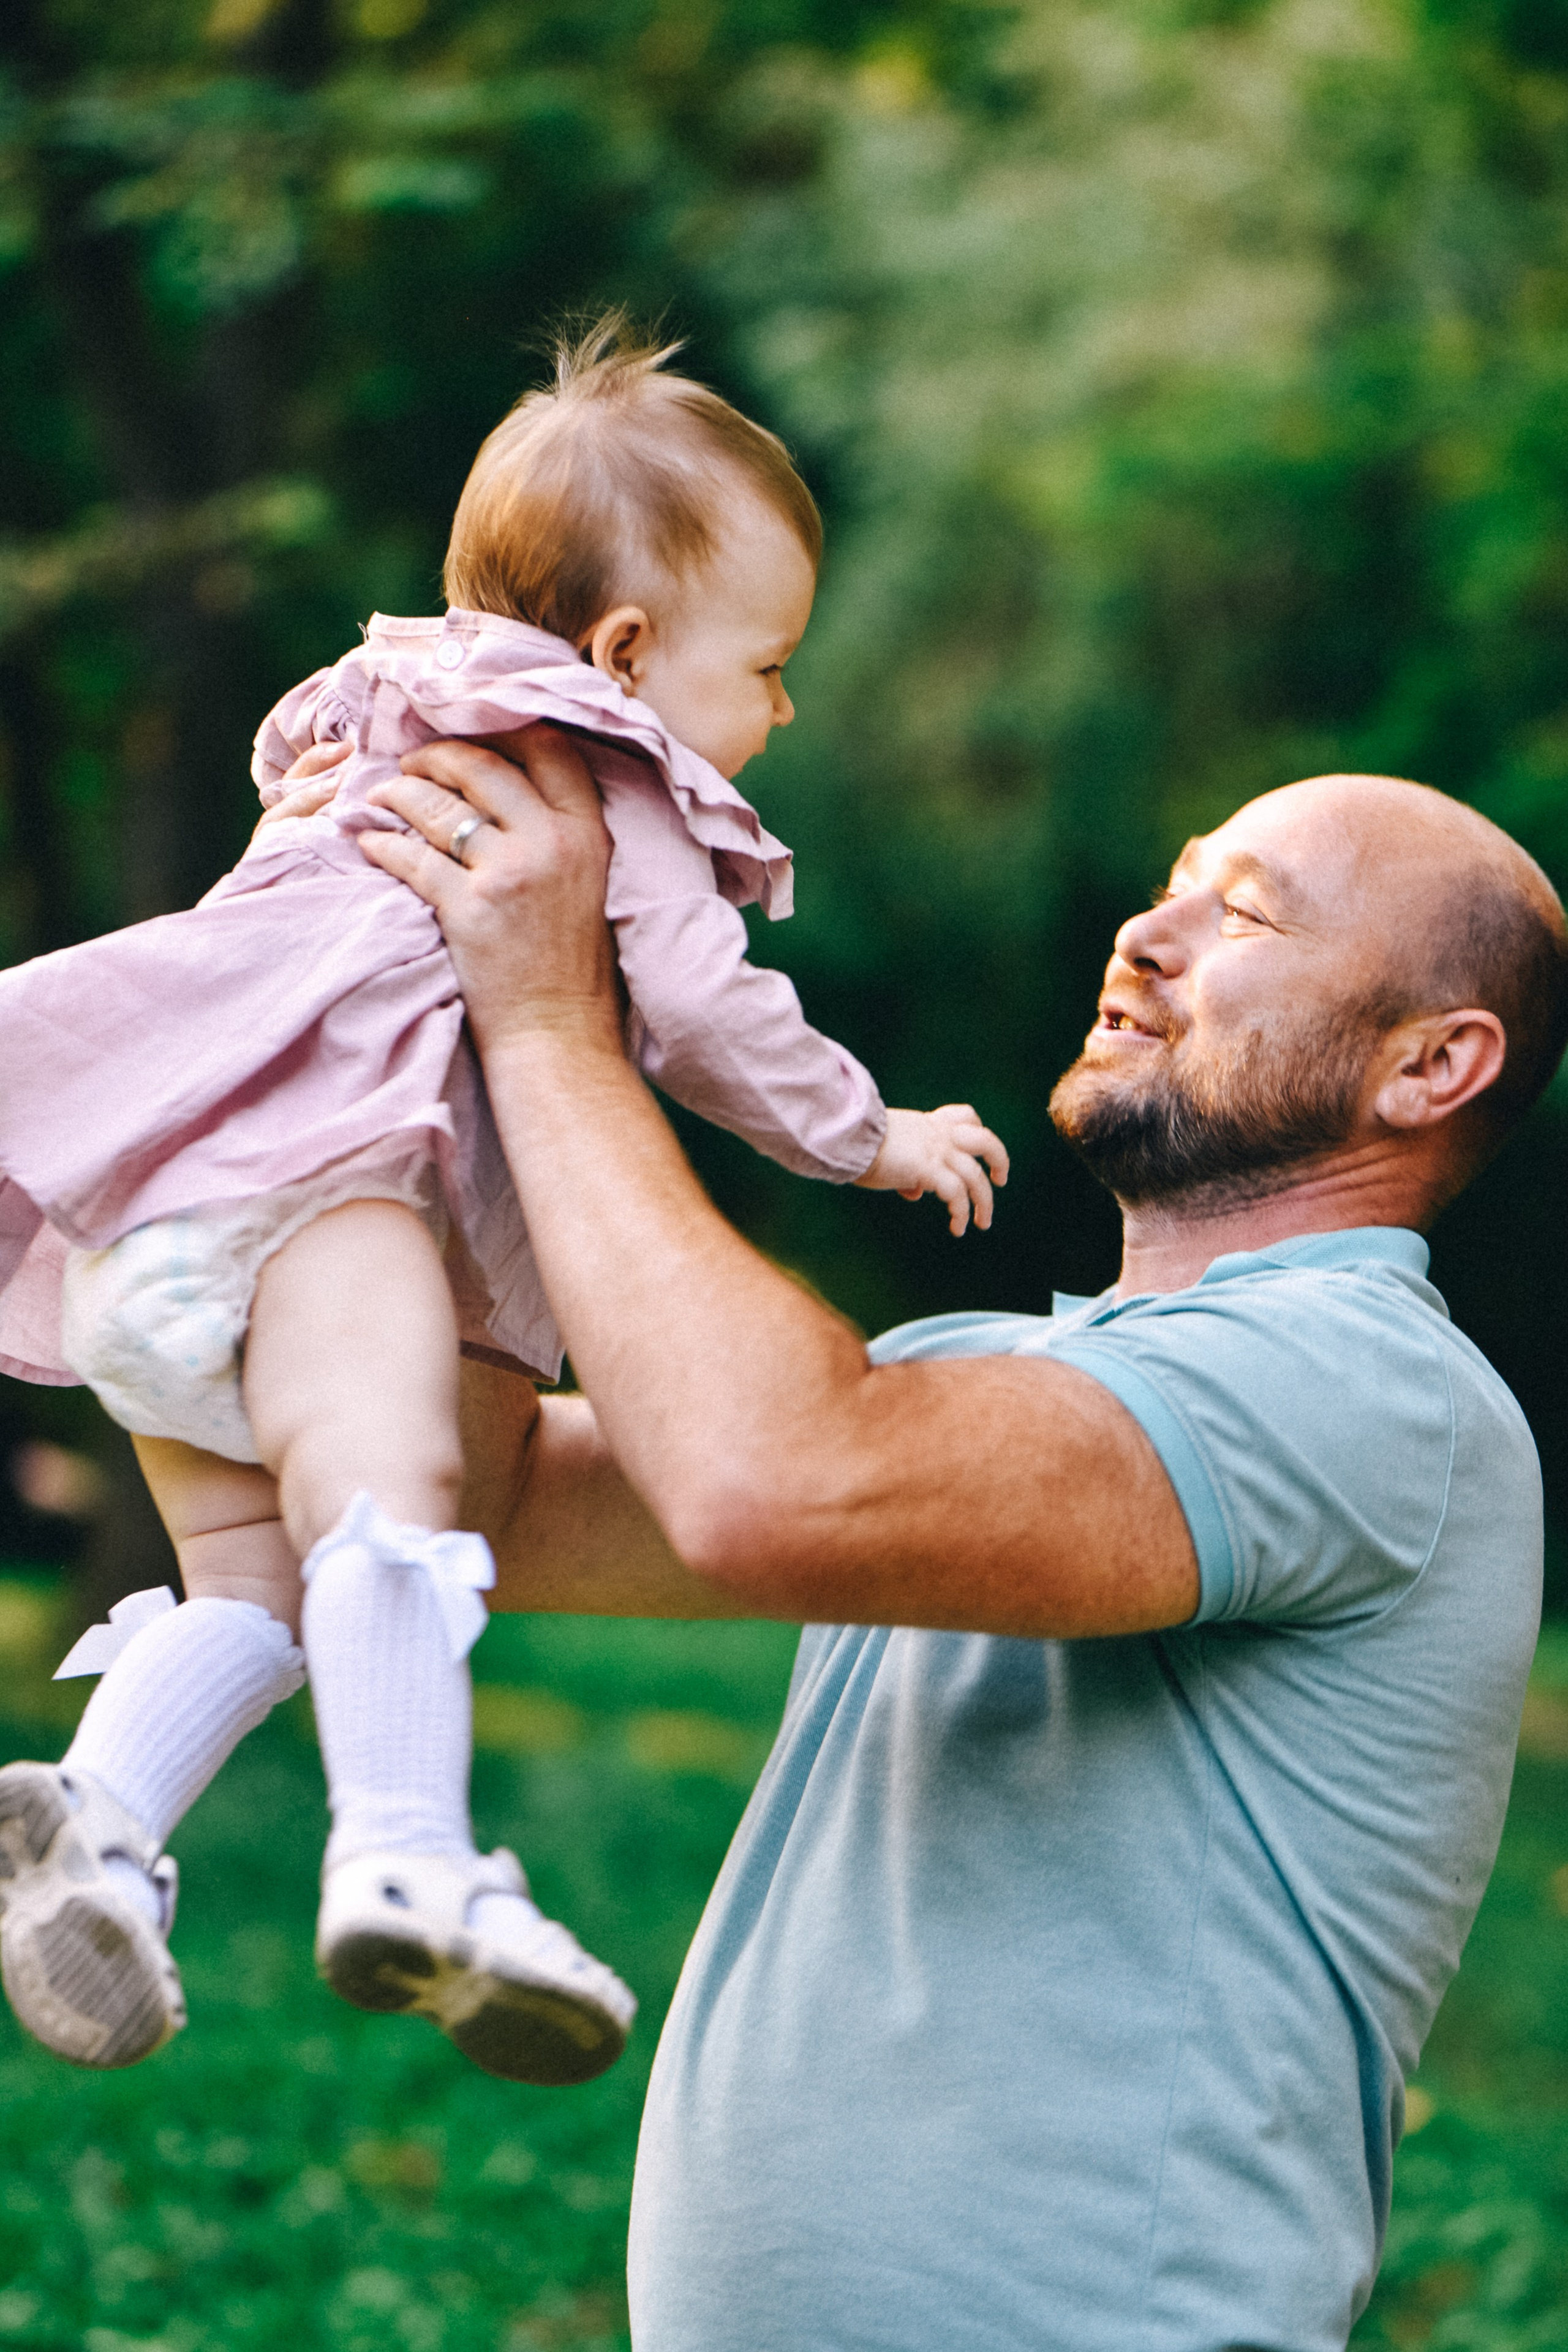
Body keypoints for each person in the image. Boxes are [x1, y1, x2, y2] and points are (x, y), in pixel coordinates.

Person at [255, 730, 1561, 2351]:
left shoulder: (1368, 1390)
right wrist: (420, 1014)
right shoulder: (968, 1388)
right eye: (1167, 893)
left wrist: (551, 1024)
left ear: (1432, 1068)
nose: (1149, 937)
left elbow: (767, 1484)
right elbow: (485, 1493)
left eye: (1246, 912)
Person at [0, 322, 1005, 2084]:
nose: (781, 709)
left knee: (254, 1575)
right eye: (769, 665)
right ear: (625, 654)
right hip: (318, 1204)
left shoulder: (366, 710)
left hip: (139, 1221)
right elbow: (701, 1011)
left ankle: (95, 1819)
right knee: (393, 1500)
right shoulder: (605, 771)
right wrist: (872, 1135)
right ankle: (409, 1852)